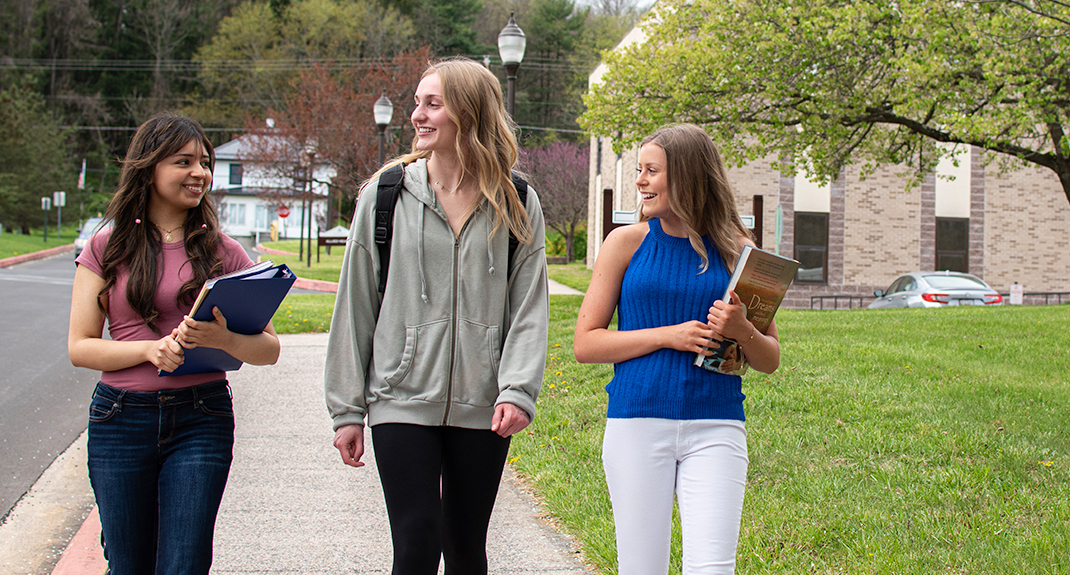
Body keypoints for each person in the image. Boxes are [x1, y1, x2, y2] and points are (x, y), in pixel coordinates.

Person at [324, 56, 549, 575]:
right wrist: (346, 409)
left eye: (432, 104)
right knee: (416, 541)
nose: (416, 116)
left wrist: (517, 390)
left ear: (468, 114)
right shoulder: (386, 195)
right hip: (399, 397)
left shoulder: (517, 201)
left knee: (467, 546)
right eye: (416, 103)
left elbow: (528, 308)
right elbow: (354, 305)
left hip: (482, 400)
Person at [67, 112, 281, 574]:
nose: (199, 172)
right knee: (129, 564)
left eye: (204, 162)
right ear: (149, 168)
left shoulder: (226, 252)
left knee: (184, 564)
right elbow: (81, 346)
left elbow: (269, 349)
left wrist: (225, 339)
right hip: (119, 420)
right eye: (183, 161)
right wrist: (148, 349)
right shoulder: (106, 247)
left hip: (200, 418)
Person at [573, 123, 782, 575]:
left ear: (686, 177)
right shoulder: (625, 244)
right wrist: (668, 336)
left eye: (651, 171)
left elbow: (769, 360)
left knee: (713, 568)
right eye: (639, 170)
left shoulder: (740, 252)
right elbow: (586, 343)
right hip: (637, 422)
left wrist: (744, 330)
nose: (640, 181)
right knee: (641, 568)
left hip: (717, 425)